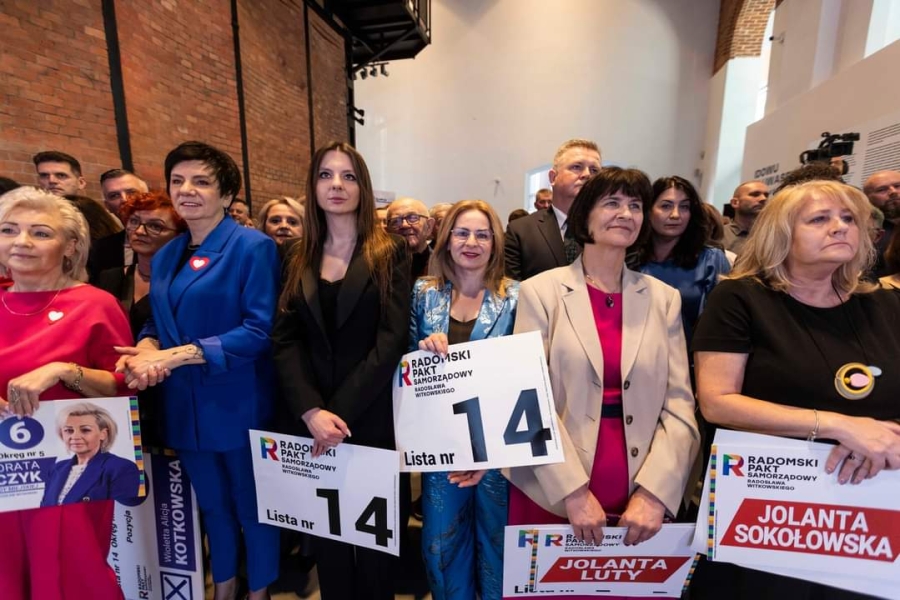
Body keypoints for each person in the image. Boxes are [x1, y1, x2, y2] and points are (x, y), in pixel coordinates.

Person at [691, 180, 900, 599]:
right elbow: (717, 402)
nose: (839, 227)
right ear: (782, 233)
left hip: (869, 510)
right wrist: (843, 427)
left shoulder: (887, 302)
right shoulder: (740, 298)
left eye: (848, 218)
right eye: (819, 219)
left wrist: (886, 436)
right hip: (771, 511)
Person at [505, 168, 699, 600]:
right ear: (585, 217)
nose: (626, 214)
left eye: (635, 205)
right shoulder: (541, 293)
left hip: (641, 486)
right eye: (612, 203)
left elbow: (679, 403)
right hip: (552, 483)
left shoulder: (663, 298)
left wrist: (656, 493)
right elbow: (527, 399)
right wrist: (572, 493)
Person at [115, 141, 280, 600]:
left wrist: (172, 356)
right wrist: (145, 347)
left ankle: (260, 592)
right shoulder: (168, 253)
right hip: (182, 406)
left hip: (236, 403)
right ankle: (224, 589)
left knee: (253, 510)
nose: (186, 190)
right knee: (212, 508)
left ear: (226, 194)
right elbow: (156, 321)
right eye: (178, 181)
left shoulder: (253, 247)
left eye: (201, 181)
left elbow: (259, 330)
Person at [273, 141, 410, 600]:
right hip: (312, 422)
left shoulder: (390, 251)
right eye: (326, 175)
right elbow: (285, 338)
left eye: (348, 176)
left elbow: (391, 340)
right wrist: (311, 410)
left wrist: (339, 413)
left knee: (374, 549)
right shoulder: (295, 254)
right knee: (328, 543)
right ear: (313, 186)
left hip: (369, 416)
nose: (336, 185)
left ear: (362, 187)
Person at [0, 186, 133, 600]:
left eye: (40, 232)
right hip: (5, 469)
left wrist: (62, 371)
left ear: (71, 246)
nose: (21, 241)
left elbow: (122, 384)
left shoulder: (95, 304)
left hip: (70, 472)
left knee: (70, 574)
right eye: (8, 230)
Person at [410, 200, 518, 600]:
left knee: (497, 547)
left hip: (497, 449)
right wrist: (423, 349)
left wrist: (492, 452)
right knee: (440, 548)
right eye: (462, 233)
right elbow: (406, 369)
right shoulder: (424, 293)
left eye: (482, 234)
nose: (471, 242)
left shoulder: (516, 296)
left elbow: (523, 375)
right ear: (446, 239)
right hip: (442, 445)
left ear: (495, 243)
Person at [95, 191, 185, 447]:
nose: (140, 231)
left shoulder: (185, 283)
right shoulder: (109, 277)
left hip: (167, 387)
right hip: (118, 387)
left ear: (179, 235)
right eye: (134, 222)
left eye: (155, 226)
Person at [628, 176, 730, 344]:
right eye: (666, 206)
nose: (676, 215)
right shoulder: (629, 258)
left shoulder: (710, 259)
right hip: (635, 353)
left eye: (684, 207)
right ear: (648, 210)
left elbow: (723, 324)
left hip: (691, 355)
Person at [505, 139, 602, 280]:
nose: (587, 174)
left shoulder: (610, 230)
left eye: (594, 170)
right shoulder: (521, 230)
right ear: (553, 177)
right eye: (577, 167)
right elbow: (513, 288)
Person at [41, 402, 141, 506]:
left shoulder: (121, 467)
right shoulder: (56, 468)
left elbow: (123, 509)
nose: (75, 436)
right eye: (69, 430)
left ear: (103, 434)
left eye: (85, 430)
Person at [863, 170, 900, 277]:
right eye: (882, 190)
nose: (893, 192)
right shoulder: (867, 234)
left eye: (898, 186)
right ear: (867, 199)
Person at [387, 197, 434, 278]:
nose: (404, 225)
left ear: (429, 226)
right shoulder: (377, 268)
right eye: (396, 221)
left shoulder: (445, 267)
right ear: (388, 229)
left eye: (413, 218)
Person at [722, 180, 768, 255]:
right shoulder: (719, 235)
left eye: (766, 195)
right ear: (735, 203)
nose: (763, 198)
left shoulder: (773, 235)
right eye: (755, 194)